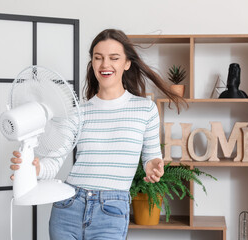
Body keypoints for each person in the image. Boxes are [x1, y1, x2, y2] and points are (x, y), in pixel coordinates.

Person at [10, 29, 186, 240]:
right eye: (98, 58)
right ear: (92, 63)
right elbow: (53, 162)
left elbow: (152, 157)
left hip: (111, 211)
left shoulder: (145, 109)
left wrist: (153, 166)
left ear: (126, 63)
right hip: (68, 206)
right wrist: (33, 168)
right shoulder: (78, 112)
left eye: (114, 58)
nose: (105, 65)